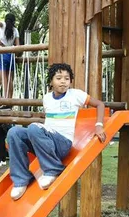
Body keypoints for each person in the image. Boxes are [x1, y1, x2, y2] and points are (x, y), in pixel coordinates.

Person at [6, 63, 107, 200]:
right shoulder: (47, 98)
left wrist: (99, 125)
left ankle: (53, 169)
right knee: (14, 132)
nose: (63, 81)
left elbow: (100, 104)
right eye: (59, 78)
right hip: (47, 144)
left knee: (34, 127)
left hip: (62, 144)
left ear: (70, 81)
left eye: (67, 78)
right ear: (51, 81)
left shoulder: (76, 95)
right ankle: (21, 180)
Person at [0, 12, 20, 99]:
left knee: (3, 78)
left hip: (2, 54)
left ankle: (5, 99)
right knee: (10, 79)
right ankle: (10, 99)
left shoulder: (2, 25)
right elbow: (18, 46)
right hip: (11, 55)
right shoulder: (15, 30)